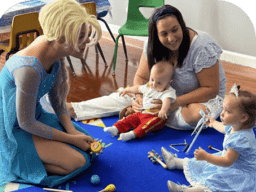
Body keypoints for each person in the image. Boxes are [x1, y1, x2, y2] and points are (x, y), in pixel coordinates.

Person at [0, 0, 102, 187]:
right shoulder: (29, 70)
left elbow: (58, 101)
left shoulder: (53, 49)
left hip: (33, 118)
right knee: (79, 162)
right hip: (13, 129)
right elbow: (25, 123)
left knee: (87, 148)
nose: (86, 43)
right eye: (81, 37)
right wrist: (71, 140)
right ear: (60, 37)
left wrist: (71, 131)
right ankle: (19, 163)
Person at [67, 4, 226, 130]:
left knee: (196, 116)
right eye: (164, 33)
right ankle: (73, 109)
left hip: (198, 99)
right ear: (156, 35)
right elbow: (141, 78)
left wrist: (175, 103)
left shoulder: (202, 46)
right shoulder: (151, 44)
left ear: (182, 26)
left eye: (175, 30)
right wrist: (139, 98)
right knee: (126, 94)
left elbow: (211, 89)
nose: (171, 38)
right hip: (161, 93)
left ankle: (144, 115)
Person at [162, 84, 256, 192]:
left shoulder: (240, 140)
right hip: (230, 160)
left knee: (216, 180)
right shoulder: (236, 125)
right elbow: (223, 128)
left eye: (227, 111)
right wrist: (212, 123)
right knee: (203, 163)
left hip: (240, 172)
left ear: (243, 118)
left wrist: (206, 156)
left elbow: (227, 162)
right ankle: (175, 162)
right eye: (223, 109)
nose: (221, 114)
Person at [103, 60, 176, 141]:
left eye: (159, 83)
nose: (154, 84)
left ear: (168, 82)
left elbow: (167, 100)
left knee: (147, 125)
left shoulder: (168, 91)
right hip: (142, 112)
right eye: (152, 79)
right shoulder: (149, 86)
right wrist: (127, 90)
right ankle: (115, 128)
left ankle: (132, 134)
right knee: (130, 118)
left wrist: (163, 110)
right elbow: (138, 88)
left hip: (155, 116)